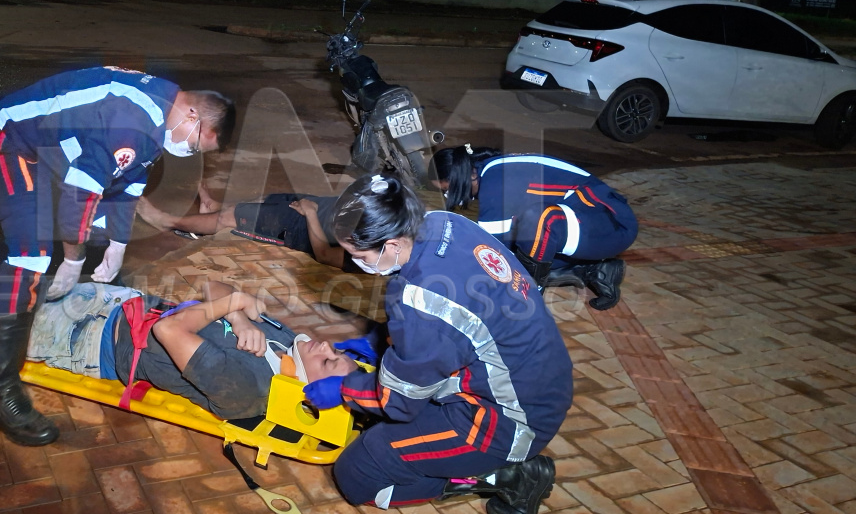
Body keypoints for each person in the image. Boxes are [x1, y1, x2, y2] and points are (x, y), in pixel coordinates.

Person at [0, 65, 235, 445]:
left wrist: (118, 242)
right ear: (192, 114)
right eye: (196, 144)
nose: (188, 150)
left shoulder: (161, 107)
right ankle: (0, 395)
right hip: (11, 139)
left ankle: (44, 280)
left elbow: (128, 183)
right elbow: (80, 199)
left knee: (90, 230)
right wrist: (74, 259)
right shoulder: (132, 123)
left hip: (57, 141)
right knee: (31, 254)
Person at [301, 173, 572, 512]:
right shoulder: (443, 221)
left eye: (360, 256)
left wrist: (344, 389)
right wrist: (381, 339)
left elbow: (399, 402)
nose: (357, 263)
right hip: (544, 383)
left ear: (393, 245)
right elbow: (456, 322)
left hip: (509, 423)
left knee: (358, 472)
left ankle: (505, 477)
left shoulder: (421, 299)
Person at [0, 245, 358, 420]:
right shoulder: (286, 347)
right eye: (338, 350)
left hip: (93, 343)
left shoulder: (251, 389)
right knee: (15, 289)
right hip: (121, 306)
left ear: (316, 388)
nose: (327, 346)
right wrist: (240, 316)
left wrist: (232, 303)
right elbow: (212, 281)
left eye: (331, 361)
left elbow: (175, 330)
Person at [432, 145, 637, 310]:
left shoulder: (495, 183)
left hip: (613, 224)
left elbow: (488, 251)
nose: (448, 197)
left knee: (536, 223)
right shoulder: (489, 170)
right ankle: (597, 271)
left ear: (464, 178)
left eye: (447, 190)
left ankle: (528, 296)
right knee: (525, 251)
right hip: (591, 223)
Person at [137, 183, 352, 270]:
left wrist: (311, 212)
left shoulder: (372, 248)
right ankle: (212, 207)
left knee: (233, 217)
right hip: (318, 205)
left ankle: (165, 220)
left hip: (301, 225)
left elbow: (325, 255)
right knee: (263, 200)